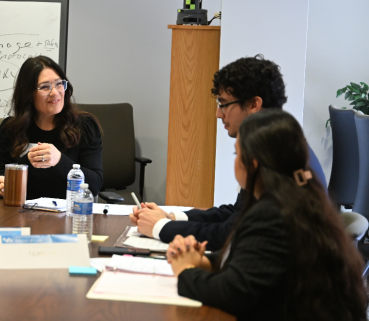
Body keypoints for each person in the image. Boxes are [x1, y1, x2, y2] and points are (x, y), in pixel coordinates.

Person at [166, 110, 367, 321]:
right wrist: (205, 262)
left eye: (236, 154)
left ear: (252, 164)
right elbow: (252, 263)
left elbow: (233, 293)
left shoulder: (274, 214)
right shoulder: (300, 198)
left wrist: (185, 272)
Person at [130, 55, 326, 251]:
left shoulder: (278, 157)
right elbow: (236, 213)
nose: (218, 113)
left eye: (223, 104)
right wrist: (170, 217)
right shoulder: (282, 144)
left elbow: (229, 233)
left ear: (253, 105)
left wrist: (160, 227)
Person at [0, 56, 103, 200]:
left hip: (69, 215)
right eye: (45, 87)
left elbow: (94, 185)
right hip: (20, 214)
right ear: (29, 94)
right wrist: (2, 184)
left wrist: (60, 161)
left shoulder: (85, 126)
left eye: (59, 84)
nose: (55, 92)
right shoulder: (10, 129)